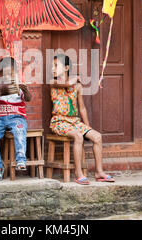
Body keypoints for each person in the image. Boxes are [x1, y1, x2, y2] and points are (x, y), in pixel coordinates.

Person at [50, 54, 114, 185]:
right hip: (59, 121)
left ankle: (99, 172)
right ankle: (79, 174)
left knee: (97, 137)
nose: (53, 68)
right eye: (52, 66)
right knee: (78, 136)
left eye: (56, 65)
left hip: (74, 121)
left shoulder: (78, 86)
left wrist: (87, 127)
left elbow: (82, 108)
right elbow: (67, 84)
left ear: (66, 68)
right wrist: (77, 78)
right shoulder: (53, 82)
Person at [0, 57, 31, 181]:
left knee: (19, 131)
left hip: (17, 118)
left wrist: (26, 91)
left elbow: (28, 98)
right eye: (4, 73)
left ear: (15, 72)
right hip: (0, 120)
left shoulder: (19, 84)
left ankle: (21, 160)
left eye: (10, 73)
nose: (7, 76)